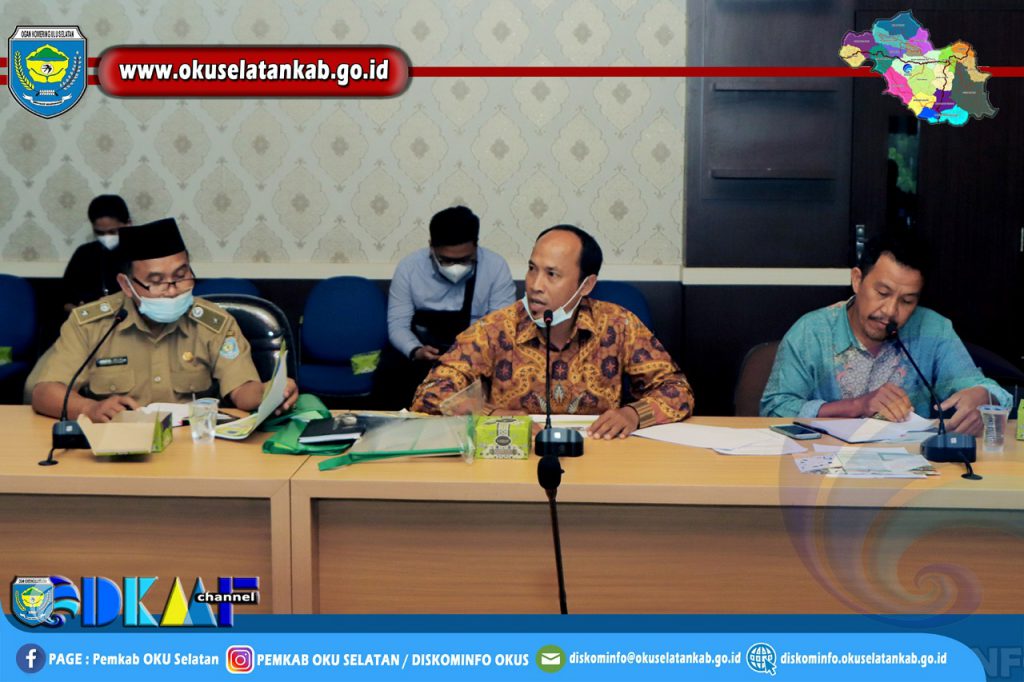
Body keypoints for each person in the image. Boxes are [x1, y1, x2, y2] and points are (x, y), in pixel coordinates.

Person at [411, 225, 693, 439]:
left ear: (586, 285)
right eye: (532, 269)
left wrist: (633, 414)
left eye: (552, 274)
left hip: (597, 457)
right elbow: (430, 394)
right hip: (513, 457)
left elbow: (677, 390)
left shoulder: (619, 325)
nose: (535, 285)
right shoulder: (495, 328)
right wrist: (493, 414)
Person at [28, 217, 298, 422]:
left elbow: (242, 391)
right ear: (126, 285)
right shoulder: (91, 324)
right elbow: (44, 392)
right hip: (117, 448)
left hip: (194, 447)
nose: (172, 290)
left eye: (181, 276)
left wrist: (270, 392)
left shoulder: (215, 324)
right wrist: (89, 408)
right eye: (156, 281)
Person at [760, 231, 1011, 435]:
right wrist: (856, 406)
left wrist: (984, 397)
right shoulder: (812, 331)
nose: (890, 311)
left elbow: (986, 389)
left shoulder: (933, 329)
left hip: (909, 468)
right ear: (857, 280)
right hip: (823, 467)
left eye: (907, 301)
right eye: (882, 293)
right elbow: (773, 409)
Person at [384, 206, 516, 403]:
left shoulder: (495, 267)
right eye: (446, 260)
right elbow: (397, 324)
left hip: (477, 357)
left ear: (476, 247)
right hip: (422, 357)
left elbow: (501, 326)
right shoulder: (409, 268)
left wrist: (470, 356)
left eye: (465, 260)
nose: (456, 267)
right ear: (431, 247)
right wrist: (415, 350)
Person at [61, 194, 131, 313]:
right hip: (92, 320)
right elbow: (65, 300)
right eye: (100, 233)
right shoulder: (84, 254)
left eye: (112, 232)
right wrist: (80, 311)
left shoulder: (143, 254)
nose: (106, 237)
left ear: (128, 223)